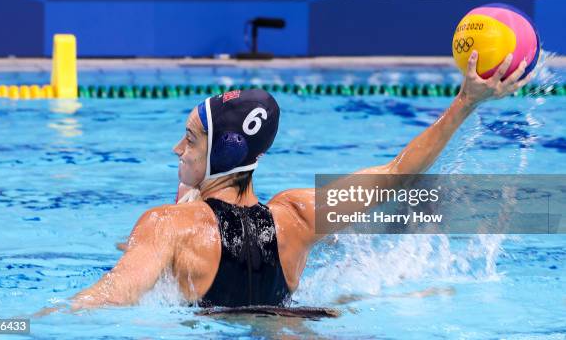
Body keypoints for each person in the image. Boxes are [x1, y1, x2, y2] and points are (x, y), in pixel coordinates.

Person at [39, 51, 533, 313]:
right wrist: (465, 102)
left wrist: (32, 322)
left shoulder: (168, 225)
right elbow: (396, 173)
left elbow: (116, 294)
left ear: (225, 151)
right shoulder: (298, 214)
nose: (176, 149)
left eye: (189, 139)